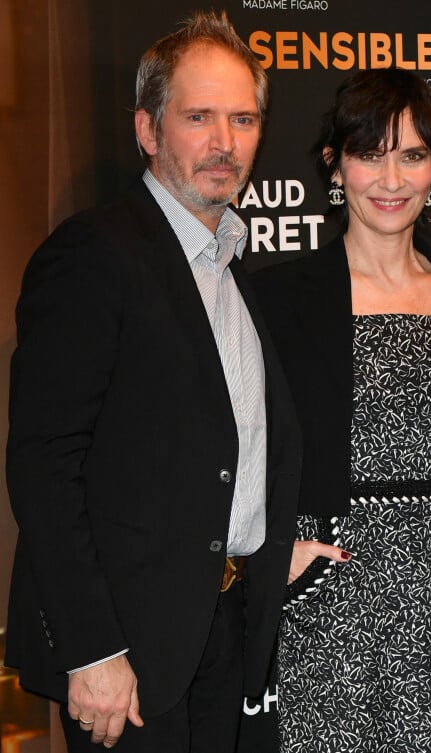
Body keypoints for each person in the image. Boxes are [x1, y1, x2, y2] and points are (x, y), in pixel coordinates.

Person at [5, 10, 301, 753]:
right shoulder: (94, 255)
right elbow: (42, 462)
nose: (223, 142)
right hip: (130, 654)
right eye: (198, 116)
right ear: (148, 129)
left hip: (220, 633)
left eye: (242, 118)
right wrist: (92, 649)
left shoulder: (231, 269)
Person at [253, 68, 431, 753]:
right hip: (333, 597)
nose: (391, 178)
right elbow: (238, 447)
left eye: (412, 155)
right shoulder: (280, 299)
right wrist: (271, 554)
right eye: (370, 154)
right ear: (333, 163)